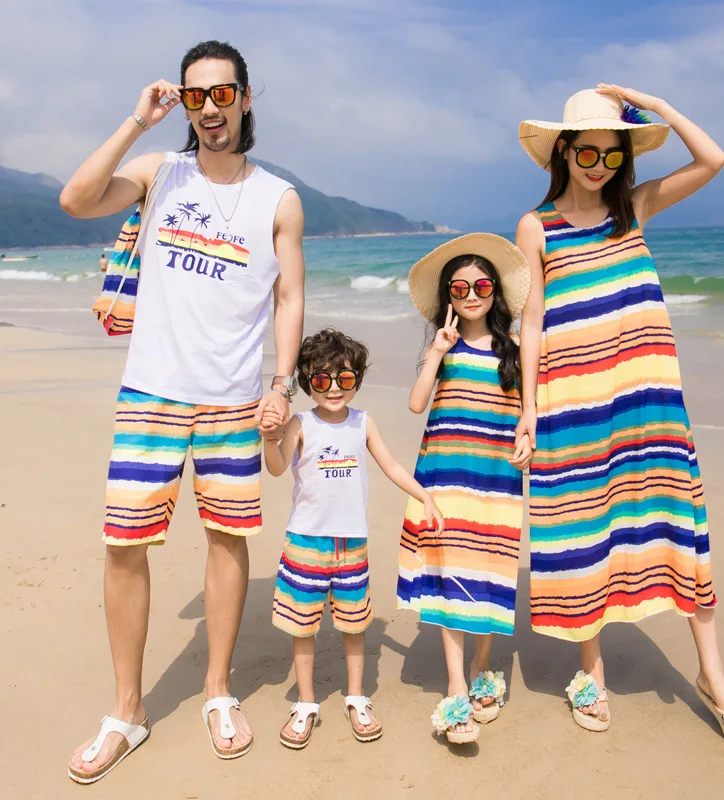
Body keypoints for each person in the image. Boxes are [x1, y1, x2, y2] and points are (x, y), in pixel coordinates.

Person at [60, 40, 305, 784]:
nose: (208, 109)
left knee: (228, 538)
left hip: (234, 398)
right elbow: (76, 199)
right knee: (123, 545)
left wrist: (282, 384)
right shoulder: (158, 172)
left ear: (246, 97)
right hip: (152, 392)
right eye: (195, 97)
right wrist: (138, 121)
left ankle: (218, 691)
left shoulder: (278, 198)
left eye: (221, 94)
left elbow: (289, 296)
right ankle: (126, 711)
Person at [515, 85, 724, 753]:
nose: (599, 165)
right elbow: (532, 320)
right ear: (563, 152)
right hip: (572, 402)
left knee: (678, 523)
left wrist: (651, 104)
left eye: (612, 153)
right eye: (586, 152)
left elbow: (712, 160)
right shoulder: (536, 227)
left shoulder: (635, 208)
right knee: (583, 526)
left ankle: (712, 675)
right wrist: (528, 409)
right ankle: (590, 670)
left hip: (648, 401)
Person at [260, 328, 443, 749]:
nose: (334, 388)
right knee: (302, 625)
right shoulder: (300, 423)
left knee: (354, 622)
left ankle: (356, 697)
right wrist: (270, 439)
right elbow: (277, 466)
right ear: (307, 380)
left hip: (352, 544)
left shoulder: (363, 422)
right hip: (306, 541)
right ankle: (305, 702)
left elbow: (392, 465)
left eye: (345, 378)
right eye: (322, 379)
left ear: (357, 379)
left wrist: (424, 496)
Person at [397, 234, 532, 744]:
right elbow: (416, 404)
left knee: (490, 572)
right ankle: (457, 685)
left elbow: (528, 414)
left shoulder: (514, 350)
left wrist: (528, 439)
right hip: (445, 475)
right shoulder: (444, 347)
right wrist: (436, 350)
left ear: (495, 292)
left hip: (496, 483)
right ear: (448, 297)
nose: (471, 295)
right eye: (459, 288)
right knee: (451, 572)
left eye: (481, 286)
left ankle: (482, 662)